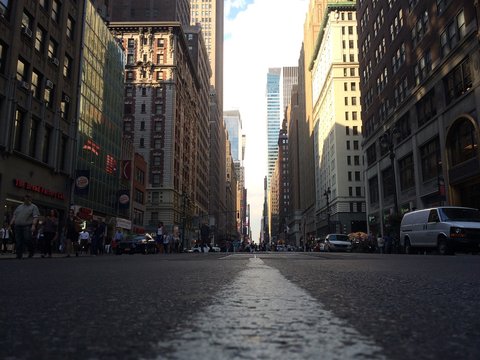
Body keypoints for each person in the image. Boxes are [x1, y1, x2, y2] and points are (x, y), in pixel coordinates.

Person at [10, 194, 40, 259]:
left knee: (27, 239)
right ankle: (19, 255)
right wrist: (11, 222)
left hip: (27, 225)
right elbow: (15, 215)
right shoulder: (19, 207)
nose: (26, 199)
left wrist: (33, 225)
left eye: (28, 198)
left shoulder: (33, 207)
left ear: (30, 199)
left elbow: (35, 217)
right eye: (25, 198)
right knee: (18, 240)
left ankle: (31, 250)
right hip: (17, 226)